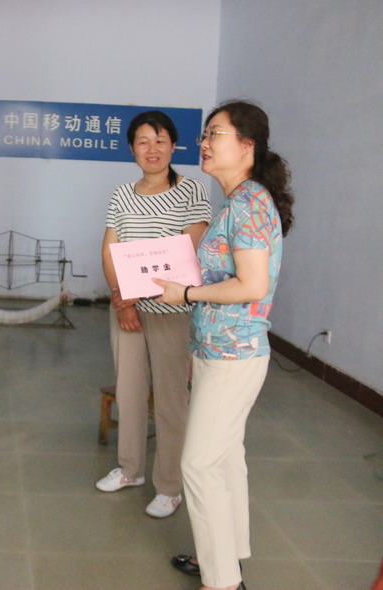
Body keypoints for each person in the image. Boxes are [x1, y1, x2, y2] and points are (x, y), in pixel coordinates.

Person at [154, 100, 294, 590]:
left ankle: (224, 583)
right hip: (218, 350)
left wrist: (187, 293)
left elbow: (252, 284)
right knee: (226, 457)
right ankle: (227, 557)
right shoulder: (238, 202)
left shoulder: (250, 203)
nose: (205, 144)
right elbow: (227, 273)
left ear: (248, 145)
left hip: (235, 354)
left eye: (215, 134)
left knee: (198, 464)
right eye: (205, 135)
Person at [96, 110, 211, 518]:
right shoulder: (122, 195)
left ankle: (169, 486)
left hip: (171, 311)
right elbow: (110, 250)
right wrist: (123, 300)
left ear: (174, 146)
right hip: (126, 310)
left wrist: (133, 292)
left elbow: (187, 250)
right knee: (128, 393)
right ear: (132, 148)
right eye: (143, 141)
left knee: (170, 398)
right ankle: (130, 470)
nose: (152, 149)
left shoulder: (192, 191)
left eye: (161, 141)